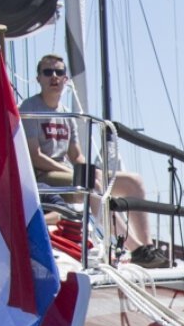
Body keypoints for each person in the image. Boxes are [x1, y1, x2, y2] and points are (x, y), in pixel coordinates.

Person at [20, 54, 164, 266]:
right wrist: (77, 173)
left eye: (59, 72)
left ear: (66, 79)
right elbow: (35, 156)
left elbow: (76, 155)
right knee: (89, 183)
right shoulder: (29, 109)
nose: (54, 77)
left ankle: (148, 246)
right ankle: (135, 249)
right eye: (48, 72)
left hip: (65, 172)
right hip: (41, 176)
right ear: (38, 78)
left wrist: (89, 168)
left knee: (134, 182)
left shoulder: (66, 114)